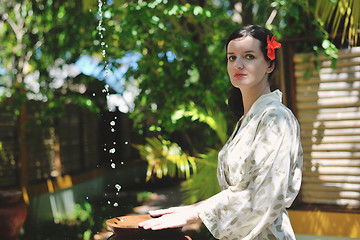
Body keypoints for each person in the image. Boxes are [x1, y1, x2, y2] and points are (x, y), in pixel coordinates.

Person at [139, 25, 303, 240]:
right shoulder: (246, 120)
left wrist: (195, 214)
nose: (238, 64)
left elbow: (263, 196)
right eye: (232, 57)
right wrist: (192, 208)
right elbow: (239, 191)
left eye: (249, 56)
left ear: (269, 65)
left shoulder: (276, 118)